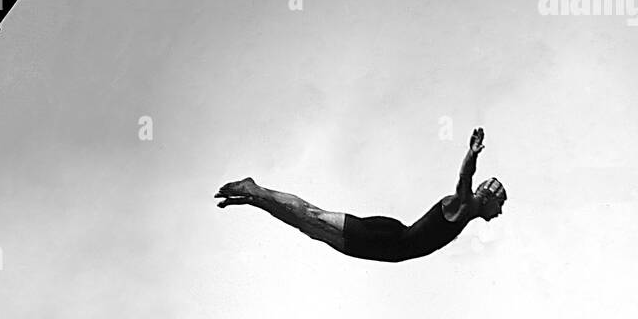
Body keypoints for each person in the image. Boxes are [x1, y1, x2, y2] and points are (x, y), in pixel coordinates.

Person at [215, 127, 506, 263]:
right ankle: (254, 189)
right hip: (385, 238)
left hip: (381, 248)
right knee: (312, 217)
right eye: (500, 203)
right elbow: (464, 178)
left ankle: (254, 197)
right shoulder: (464, 206)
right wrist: (471, 153)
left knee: (308, 227)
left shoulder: (466, 214)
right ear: (488, 196)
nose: (500, 212)